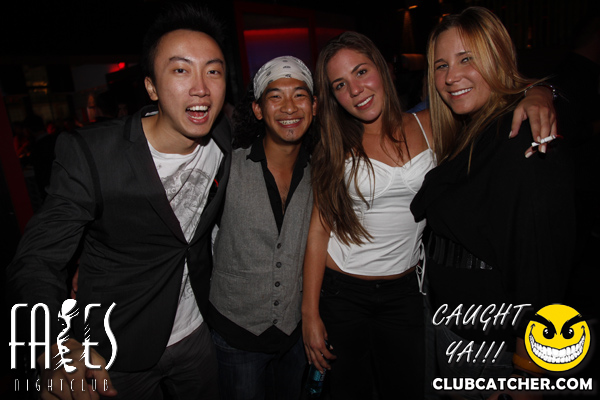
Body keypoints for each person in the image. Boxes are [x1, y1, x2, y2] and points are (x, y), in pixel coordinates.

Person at [301, 31, 558, 400]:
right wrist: (309, 315)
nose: (355, 90)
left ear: (383, 69)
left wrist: (540, 92)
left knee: (408, 389)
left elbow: (494, 98)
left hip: (407, 292)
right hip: (343, 292)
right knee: (348, 391)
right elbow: (318, 231)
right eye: (340, 84)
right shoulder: (335, 145)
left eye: (361, 71)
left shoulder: (433, 124)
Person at [6, 3, 231, 399]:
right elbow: (36, 259)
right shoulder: (94, 154)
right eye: (181, 70)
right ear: (151, 87)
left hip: (197, 332)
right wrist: (53, 345)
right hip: (114, 346)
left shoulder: (224, 138)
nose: (201, 87)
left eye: (213, 71)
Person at [410, 7, 576, 399]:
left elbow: (539, 269)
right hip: (455, 328)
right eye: (441, 65)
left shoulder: (524, 139)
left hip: (492, 348)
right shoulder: (477, 128)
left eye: (466, 59)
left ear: (497, 57)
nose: (451, 77)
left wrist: (528, 374)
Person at [207, 56, 316, 400]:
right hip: (236, 334)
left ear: (314, 106)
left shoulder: (321, 173)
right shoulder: (227, 166)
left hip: (293, 335)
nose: (289, 107)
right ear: (257, 109)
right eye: (275, 96)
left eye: (299, 95)